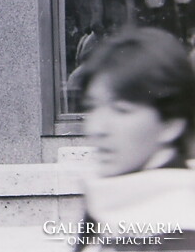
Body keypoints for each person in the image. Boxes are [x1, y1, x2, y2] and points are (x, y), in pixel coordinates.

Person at [73, 27, 195, 251]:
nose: (97, 128)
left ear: (170, 124)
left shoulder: (182, 229)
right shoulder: (111, 197)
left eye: (122, 110)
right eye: (92, 107)